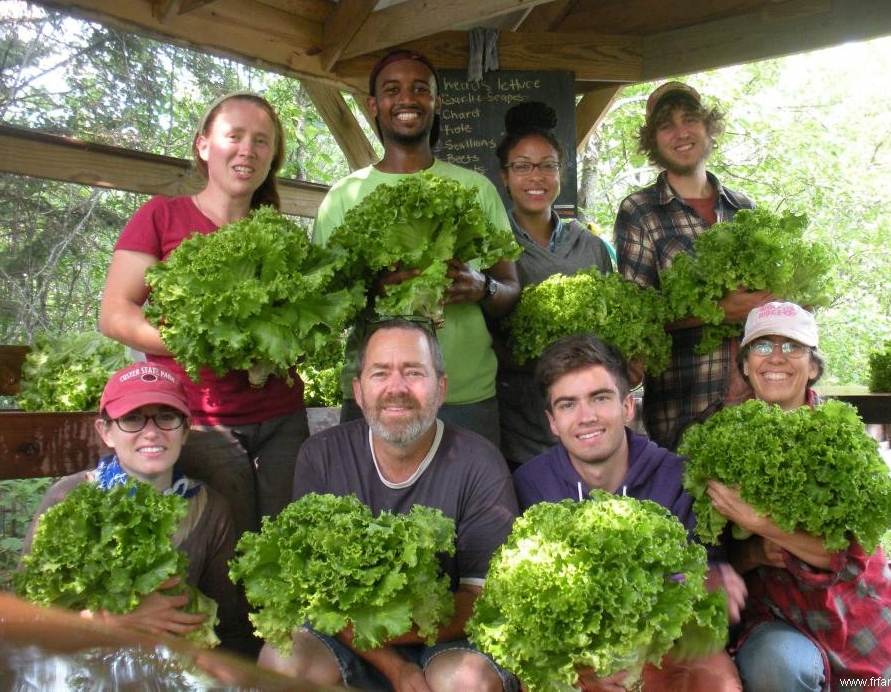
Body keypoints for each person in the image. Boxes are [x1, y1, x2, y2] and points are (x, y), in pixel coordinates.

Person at [257, 317, 519, 692]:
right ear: (358, 390)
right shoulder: (323, 456)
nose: (396, 388)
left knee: (465, 682)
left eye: (414, 372)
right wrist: (396, 668)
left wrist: (401, 628)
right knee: (281, 662)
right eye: (380, 374)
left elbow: (480, 598)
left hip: (449, 639)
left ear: (440, 389)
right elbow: (316, 594)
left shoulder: (479, 462)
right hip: (348, 635)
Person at [99, 93, 309, 537]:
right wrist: (202, 341)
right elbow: (115, 315)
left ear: (272, 158)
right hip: (201, 419)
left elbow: (304, 324)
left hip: (283, 418)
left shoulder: (280, 235)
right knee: (225, 545)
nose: (247, 150)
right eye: (234, 136)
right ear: (203, 145)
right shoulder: (162, 217)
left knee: (286, 541)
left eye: (261, 141)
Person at [706, 301, 891, 690]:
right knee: (777, 666)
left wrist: (760, 524)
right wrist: (755, 553)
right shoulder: (721, 439)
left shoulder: (844, 437)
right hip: (781, 617)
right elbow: (714, 551)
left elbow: (847, 557)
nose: (776, 357)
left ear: (814, 367)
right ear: (743, 365)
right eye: (762, 346)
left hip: (856, 615)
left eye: (792, 347)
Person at [311, 49, 520, 447]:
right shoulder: (343, 196)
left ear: (437, 102)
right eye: (392, 90)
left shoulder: (476, 188)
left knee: (471, 507)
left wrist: (482, 287)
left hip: (465, 394)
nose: (407, 99)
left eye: (420, 90)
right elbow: (323, 307)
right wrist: (367, 290)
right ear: (374, 104)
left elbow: (510, 289)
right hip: (376, 396)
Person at [514, 334, 745, 692]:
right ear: (552, 422)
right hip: (573, 652)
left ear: (627, 407)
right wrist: (582, 670)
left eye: (600, 398)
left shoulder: (677, 479)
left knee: (717, 680)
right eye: (567, 405)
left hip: (661, 646)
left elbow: (701, 580)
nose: (586, 417)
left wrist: (714, 585)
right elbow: (521, 608)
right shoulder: (530, 485)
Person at [22, 361, 257, 657]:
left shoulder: (210, 509)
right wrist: (115, 619)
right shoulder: (68, 497)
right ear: (105, 431)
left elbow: (225, 625)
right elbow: (25, 617)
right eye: (132, 419)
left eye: (166, 417)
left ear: (185, 430)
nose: (151, 433)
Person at [614, 81, 772, 451]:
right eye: (666, 125)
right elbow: (637, 318)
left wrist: (787, 303)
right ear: (653, 141)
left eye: (690, 119)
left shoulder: (743, 209)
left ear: (707, 128)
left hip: (756, 396)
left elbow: (767, 304)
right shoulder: (640, 211)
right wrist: (719, 312)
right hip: (684, 405)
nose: (681, 132)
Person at [492, 101, 615, 468]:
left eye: (548, 166)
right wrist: (540, 359)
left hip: (587, 425)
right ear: (504, 175)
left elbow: (614, 334)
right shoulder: (491, 247)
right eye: (523, 167)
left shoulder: (590, 246)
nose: (536, 177)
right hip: (519, 428)